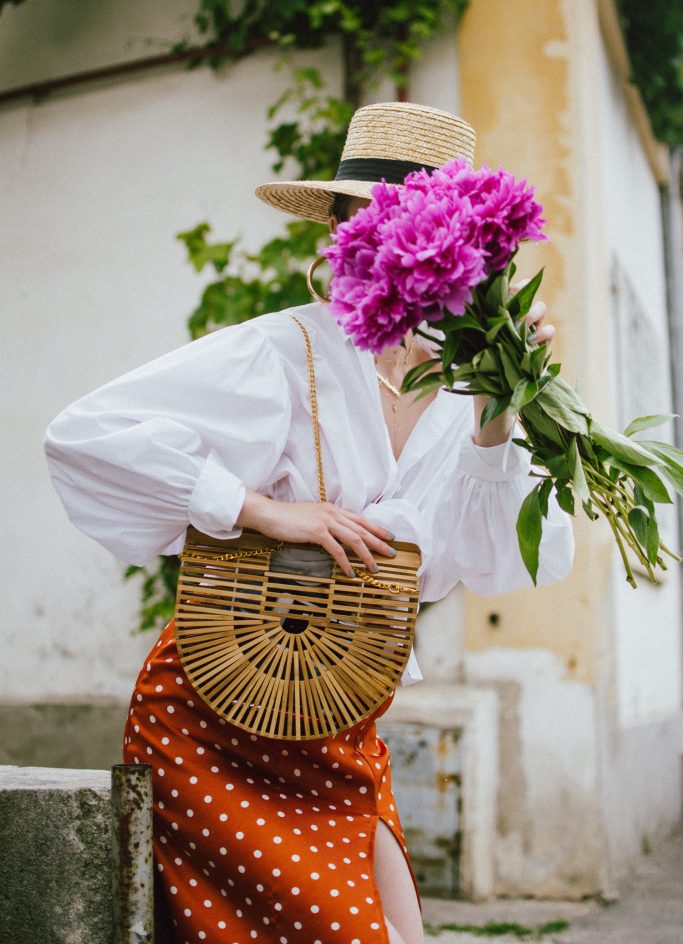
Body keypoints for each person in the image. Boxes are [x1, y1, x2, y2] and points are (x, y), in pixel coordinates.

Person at [44, 101, 574, 944]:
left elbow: (499, 554)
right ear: (340, 229)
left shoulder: (472, 386)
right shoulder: (280, 352)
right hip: (214, 716)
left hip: (343, 719)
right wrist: (261, 511)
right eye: (362, 223)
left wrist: (501, 405)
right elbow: (83, 436)